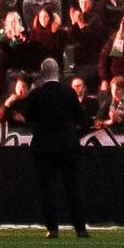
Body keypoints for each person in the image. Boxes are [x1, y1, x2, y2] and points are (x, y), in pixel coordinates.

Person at [17, 56, 90, 238]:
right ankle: (80, 228)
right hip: (67, 145)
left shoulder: (37, 94)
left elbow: (28, 116)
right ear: (58, 72)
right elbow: (81, 117)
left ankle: (53, 228)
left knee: (48, 188)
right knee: (73, 186)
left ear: (42, 73)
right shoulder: (69, 93)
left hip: (44, 146)